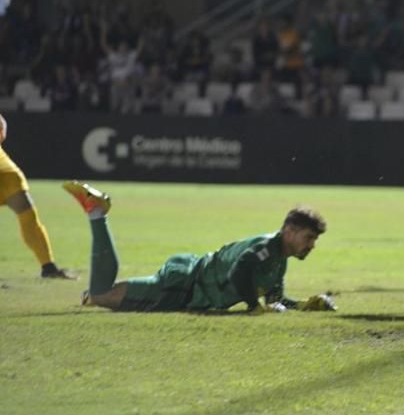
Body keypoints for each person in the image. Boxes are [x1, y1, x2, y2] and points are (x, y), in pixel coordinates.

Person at [65, 181, 335, 313]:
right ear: (289, 231)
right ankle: (96, 213)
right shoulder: (266, 249)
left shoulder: (278, 259)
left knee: (101, 295)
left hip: (191, 288)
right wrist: (253, 305)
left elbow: (274, 302)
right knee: (104, 295)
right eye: (308, 237)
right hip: (184, 284)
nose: (311, 245)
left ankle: (92, 295)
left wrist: (304, 305)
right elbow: (240, 272)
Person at [0, 114, 76, 279]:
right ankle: (48, 266)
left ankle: (48, 267)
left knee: (26, 213)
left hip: (5, 171)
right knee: (27, 214)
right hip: (5, 170)